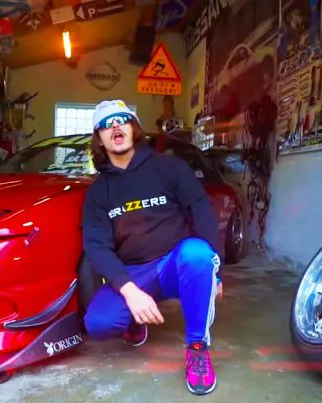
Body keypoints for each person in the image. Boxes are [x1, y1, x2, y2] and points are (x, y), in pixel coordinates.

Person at [82, 99, 224, 396]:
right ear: (99, 138)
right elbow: (97, 246)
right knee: (98, 323)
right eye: (106, 124)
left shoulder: (170, 168)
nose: (115, 126)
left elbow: (201, 212)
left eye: (121, 119)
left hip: (173, 264)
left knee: (197, 255)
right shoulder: (97, 192)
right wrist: (130, 292)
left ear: (134, 128)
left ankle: (197, 347)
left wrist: (217, 272)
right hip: (133, 273)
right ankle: (136, 318)